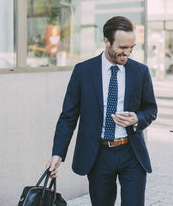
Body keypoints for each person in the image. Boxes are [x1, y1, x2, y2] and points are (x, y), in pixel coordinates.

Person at [47, 16, 157, 206]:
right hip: (98, 155)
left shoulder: (140, 72)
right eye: (122, 47)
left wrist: (137, 118)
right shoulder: (83, 71)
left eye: (132, 47)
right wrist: (58, 153)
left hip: (131, 153)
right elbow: (68, 116)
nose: (128, 52)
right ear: (106, 41)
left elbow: (151, 109)